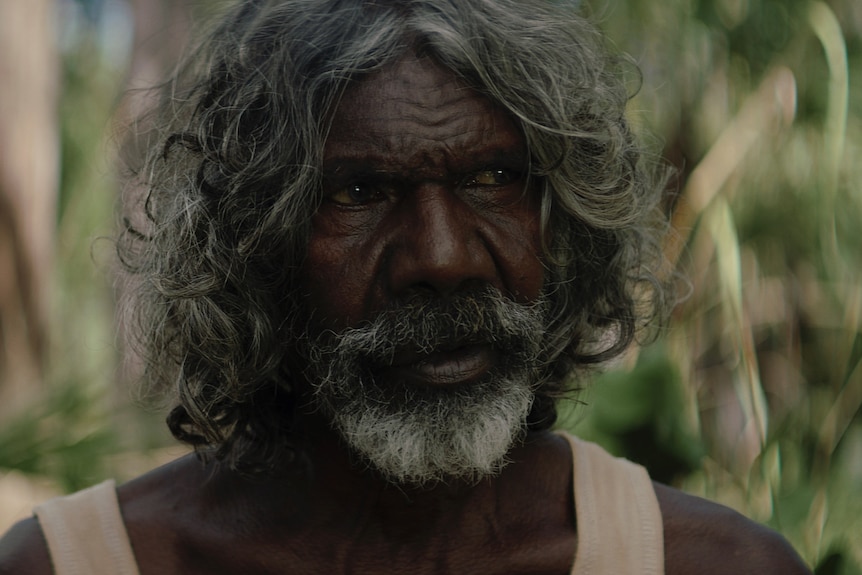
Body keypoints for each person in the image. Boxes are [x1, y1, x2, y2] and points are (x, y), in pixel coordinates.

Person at [0, 0, 811, 573]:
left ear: (562, 223)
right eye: (360, 193)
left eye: (494, 177)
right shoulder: (73, 562)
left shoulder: (713, 564)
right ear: (255, 245)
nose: (442, 257)